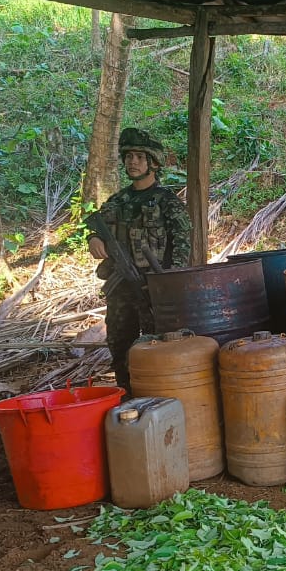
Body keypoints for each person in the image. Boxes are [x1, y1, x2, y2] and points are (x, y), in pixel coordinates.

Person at [86, 127, 192, 392]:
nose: (132, 162)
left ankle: (159, 394)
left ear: (153, 163)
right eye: (129, 156)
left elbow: (182, 245)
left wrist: (168, 284)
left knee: (159, 345)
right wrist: (94, 240)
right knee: (119, 342)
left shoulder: (166, 202)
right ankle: (126, 393)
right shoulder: (118, 201)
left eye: (139, 157)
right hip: (121, 289)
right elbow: (97, 228)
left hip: (154, 289)